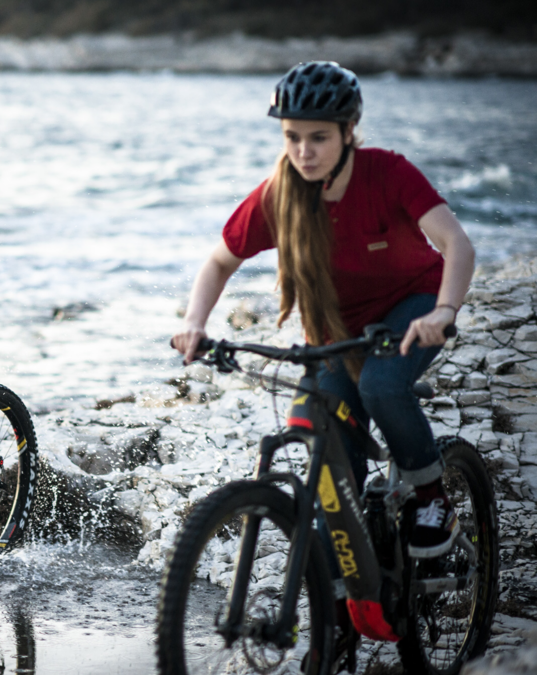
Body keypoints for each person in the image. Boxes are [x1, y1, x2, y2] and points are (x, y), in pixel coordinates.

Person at [171, 62, 475, 560]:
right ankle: (343, 610)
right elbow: (219, 262)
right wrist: (194, 324)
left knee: (380, 385)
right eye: (292, 137)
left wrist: (444, 310)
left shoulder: (388, 172)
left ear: (349, 132)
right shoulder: (279, 195)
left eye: (318, 138)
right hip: (335, 331)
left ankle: (430, 496)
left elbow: (456, 245)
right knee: (329, 462)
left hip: (413, 307)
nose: (303, 152)